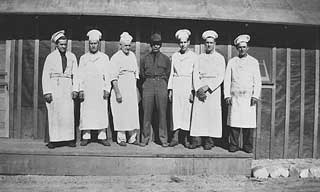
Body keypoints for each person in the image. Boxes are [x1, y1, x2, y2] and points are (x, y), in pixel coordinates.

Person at [224, 34, 261, 153]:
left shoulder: (253, 62)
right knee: (234, 123)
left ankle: (247, 146)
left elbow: (258, 80)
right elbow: (227, 80)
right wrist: (227, 95)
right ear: (237, 48)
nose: (242, 49)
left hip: (248, 98)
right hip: (235, 97)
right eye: (239, 47)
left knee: (248, 124)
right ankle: (233, 145)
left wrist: (255, 95)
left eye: (244, 47)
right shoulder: (232, 62)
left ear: (248, 48)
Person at [189, 30, 226, 150]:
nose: (209, 45)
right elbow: (195, 74)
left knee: (211, 115)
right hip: (200, 88)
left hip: (212, 91)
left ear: (215, 43)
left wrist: (207, 87)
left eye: (211, 42)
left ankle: (209, 141)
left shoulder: (220, 58)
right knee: (198, 115)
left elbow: (221, 76)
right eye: (207, 43)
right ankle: (196, 140)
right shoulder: (199, 58)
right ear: (204, 44)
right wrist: (198, 89)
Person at [42, 30, 78, 149]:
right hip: (55, 87)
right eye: (61, 44)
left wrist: (75, 89)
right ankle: (54, 140)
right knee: (55, 113)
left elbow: (76, 74)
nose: (63, 46)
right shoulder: (50, 57)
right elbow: (45, 75)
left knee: (67, 114)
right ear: (56, 45)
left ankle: (68, 139)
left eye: (65, 44)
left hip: (67, 86)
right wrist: (47, 91)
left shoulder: (72, 57)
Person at [77, 29, 111, 146]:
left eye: (95, 43)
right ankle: (86, 136)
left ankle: (102, 136)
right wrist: (80, 89)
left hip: (99, 89)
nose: (93, 46)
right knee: (87, 112)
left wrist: (107, 89)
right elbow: (79, 75)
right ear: (89, 44)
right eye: (91, 43)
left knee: (100, 112)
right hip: (87, 89)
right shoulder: (83, 58)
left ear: (98, 44)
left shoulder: (104, 58)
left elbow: (108, 75)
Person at [140, 33, 171, 147]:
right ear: (150, 45)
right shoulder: (144, 58)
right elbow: (142, 74)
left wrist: (161, 82)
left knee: (162, 113)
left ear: (160, 45)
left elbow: (168, 73)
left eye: (158, 44)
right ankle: (145, 138)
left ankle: (163, 139)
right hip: (148, 84)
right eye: (154, 44)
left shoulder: (166, 59)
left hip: (161, 83)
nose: (156, 46)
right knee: (146, 113)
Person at [168, 29, 197, 148]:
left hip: (187, 85)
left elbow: (195, 74)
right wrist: (170, 89)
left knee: (186, 112)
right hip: (177, 84)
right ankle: (175, 138)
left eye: (185, 42)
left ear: (188, 42)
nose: (183, 45)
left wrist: (192, 90)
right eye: (181, 42)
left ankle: (185, 138)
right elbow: (171, 73)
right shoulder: (175, 56)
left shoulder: (194, 56)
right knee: (176, 112)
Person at [110, 32, 140, 147]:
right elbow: (113, 77)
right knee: (121, 113)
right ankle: (121, 138)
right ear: (120, 45)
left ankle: (132, 138)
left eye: (129, 45)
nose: (127, 47)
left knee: (132, 113)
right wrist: (117, 92)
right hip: (121, 88)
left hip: (131, 88)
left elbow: (135, 74)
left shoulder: (132, 56)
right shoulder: (115, 57)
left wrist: (136, 90)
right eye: (125, 45)